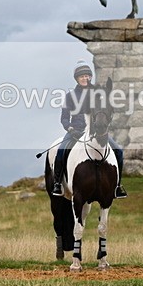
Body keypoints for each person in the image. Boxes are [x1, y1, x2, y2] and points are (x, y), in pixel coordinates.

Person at [51, 60, 127, 199]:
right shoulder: (70, 96)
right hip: (75, 131)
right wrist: (70, 128)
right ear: (77, 79)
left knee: (118, 151)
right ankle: (57, 183)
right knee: (61, 151)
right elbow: (64, 118)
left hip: (96, 132)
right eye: (82, 76)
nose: (85, 78)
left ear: (90, 77)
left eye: (87, 75)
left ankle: (117, 186)